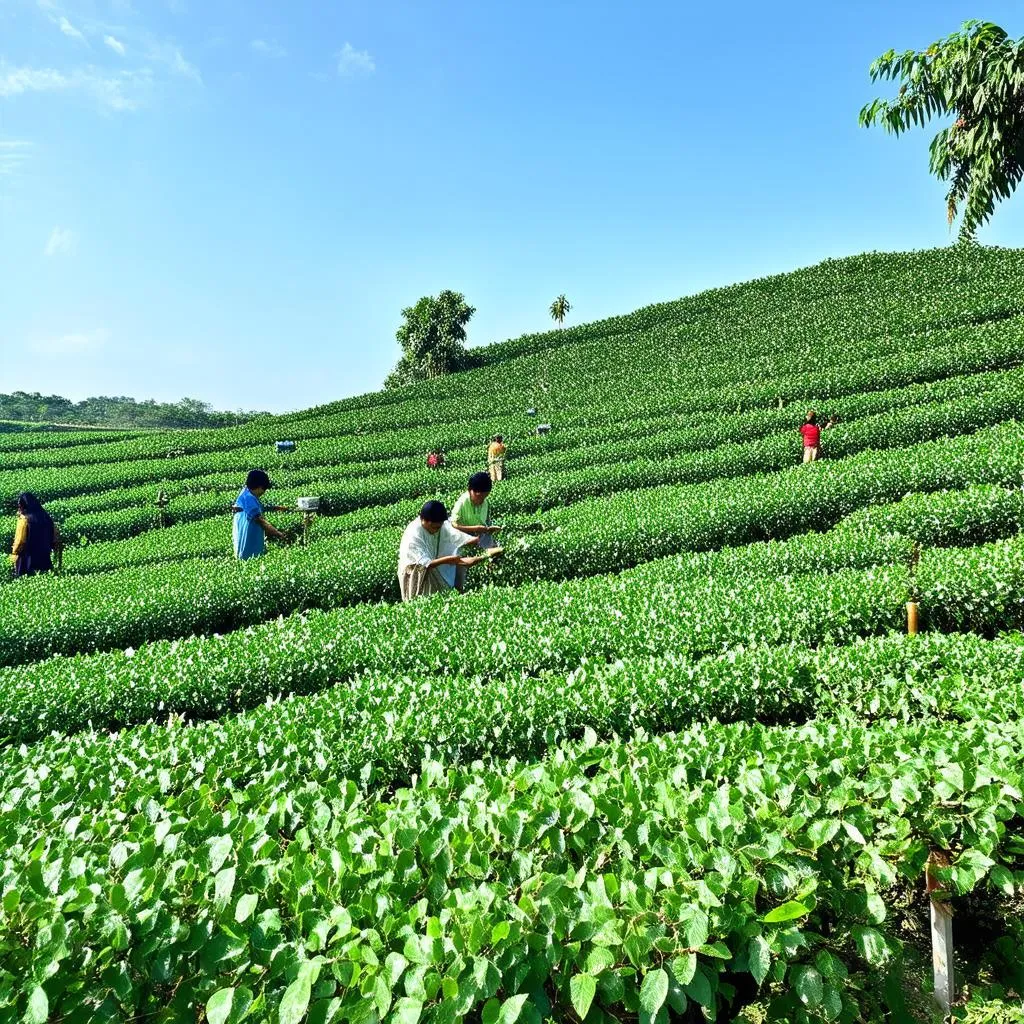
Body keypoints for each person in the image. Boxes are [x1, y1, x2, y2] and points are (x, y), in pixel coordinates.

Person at [397, 499, 487, 601]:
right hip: (415, 573)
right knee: (419, 601)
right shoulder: (413, 536)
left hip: (433, 566)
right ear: (424, 521)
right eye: (435, 527)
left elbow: (452, 534)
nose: (437, 530)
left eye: (439, 527)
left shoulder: (439, 525)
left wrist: (474, 540)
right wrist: (455, 560)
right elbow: (424, 564)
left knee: (438, 600)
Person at [451, 471, 503, 591]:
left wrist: (489, 530)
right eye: (480, 496)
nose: (482, 500)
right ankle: (459, 590)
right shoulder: (462, 502)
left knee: (495, 554)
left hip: (480, 536)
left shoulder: (485, 503)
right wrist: (474, 529)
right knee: (461, 567)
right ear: (471, 491)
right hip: (462, 538)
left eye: (485, 496)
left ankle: (490, 583)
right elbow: (453, 525)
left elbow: (486, 522)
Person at [232, 469, 289, 560]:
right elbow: (260, 520)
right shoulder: (248, 498)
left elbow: (259, 506)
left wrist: (277, 508)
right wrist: (278, 533)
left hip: (250, 542)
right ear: (259, 487)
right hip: (248, 544)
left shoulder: (246, 492)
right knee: (249, 561)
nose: (263, 492)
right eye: (264, 489)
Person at [9, 492, 61, 578]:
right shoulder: (47, 518)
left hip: (27, 561)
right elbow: (55, 538)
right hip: (45, 558)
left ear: (23, 506)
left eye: (19, 505)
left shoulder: (24, 520)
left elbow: (20, 541)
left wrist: (14, 554)